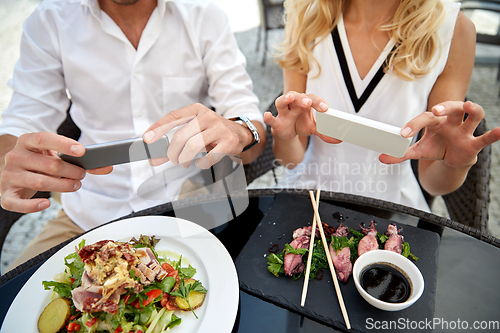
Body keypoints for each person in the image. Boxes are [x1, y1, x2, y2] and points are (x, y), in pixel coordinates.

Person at [0, 0, 265, 269]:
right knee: (14, 302)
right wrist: (10, 158)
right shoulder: (50, 19)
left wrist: (240, 132)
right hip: (88, 214)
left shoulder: (203, 15)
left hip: (190, 208)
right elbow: (23, 118)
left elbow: (248, 123)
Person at [264, 0, 500, 211]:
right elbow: (291, 160)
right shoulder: (305, 13)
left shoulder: (453, 29)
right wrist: (284, 135)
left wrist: (455, 164)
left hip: (394, 210)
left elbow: (433, 183)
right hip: (308, 199)